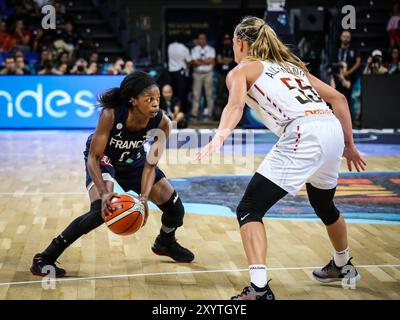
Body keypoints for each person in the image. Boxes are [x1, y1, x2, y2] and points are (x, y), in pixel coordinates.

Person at [198, 16, 366, 300]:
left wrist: (220, 136)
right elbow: (338, 99)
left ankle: (260, 289)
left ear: (240, 42)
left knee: (249, 209)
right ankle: (343, 264)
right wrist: (349, 144)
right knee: (323, 203)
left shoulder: (242, 70)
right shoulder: (292, 67)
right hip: (331, 129)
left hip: (304, 132)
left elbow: (236, 105)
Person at [30, 71, 195, 277]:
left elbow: (150, 166)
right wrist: (104, 191)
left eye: (157, 99)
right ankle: (44, 258)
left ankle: (165, 242)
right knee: (101, 210)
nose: (155, 104)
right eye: (149, 99)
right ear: (133, 101)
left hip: (133, 161)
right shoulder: (111, 114)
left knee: (175, 209)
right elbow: (93, 157)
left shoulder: (162, 123)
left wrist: (143, 197)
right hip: (104, 159)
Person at [190, 33, 216, 120]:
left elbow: (211, 60)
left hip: (208, 73)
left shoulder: (211, 49)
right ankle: (194, 113)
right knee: (196, 94)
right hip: (197, 74)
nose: (202, 40)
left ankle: (210, 113)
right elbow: (194, 62)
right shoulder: (194, 49)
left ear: (206, 40)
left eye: (203, 38)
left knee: (209, 94)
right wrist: (205, 61)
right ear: (198, 40)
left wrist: (200, 61)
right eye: (200, 39)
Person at [167, 33, 191, 113]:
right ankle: (180, 111)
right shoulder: (184, 48)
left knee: (172, 93)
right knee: (181, 94)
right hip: (180, 73)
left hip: (170, 72)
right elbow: (188, 62)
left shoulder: (170, 46)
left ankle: (171, 110)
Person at [215, 33, 235, 120]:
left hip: (232, 75)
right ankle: (218, 115)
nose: (226, 41)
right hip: (222, 74)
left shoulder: (233, 48)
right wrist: (227, 60)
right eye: (225, 40)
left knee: (231, 94)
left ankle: (231, 115)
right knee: (219, 93)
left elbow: (234, 59)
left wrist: (226, 60)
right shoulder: (220, 48)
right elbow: (219, 60)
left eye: (228, 40)